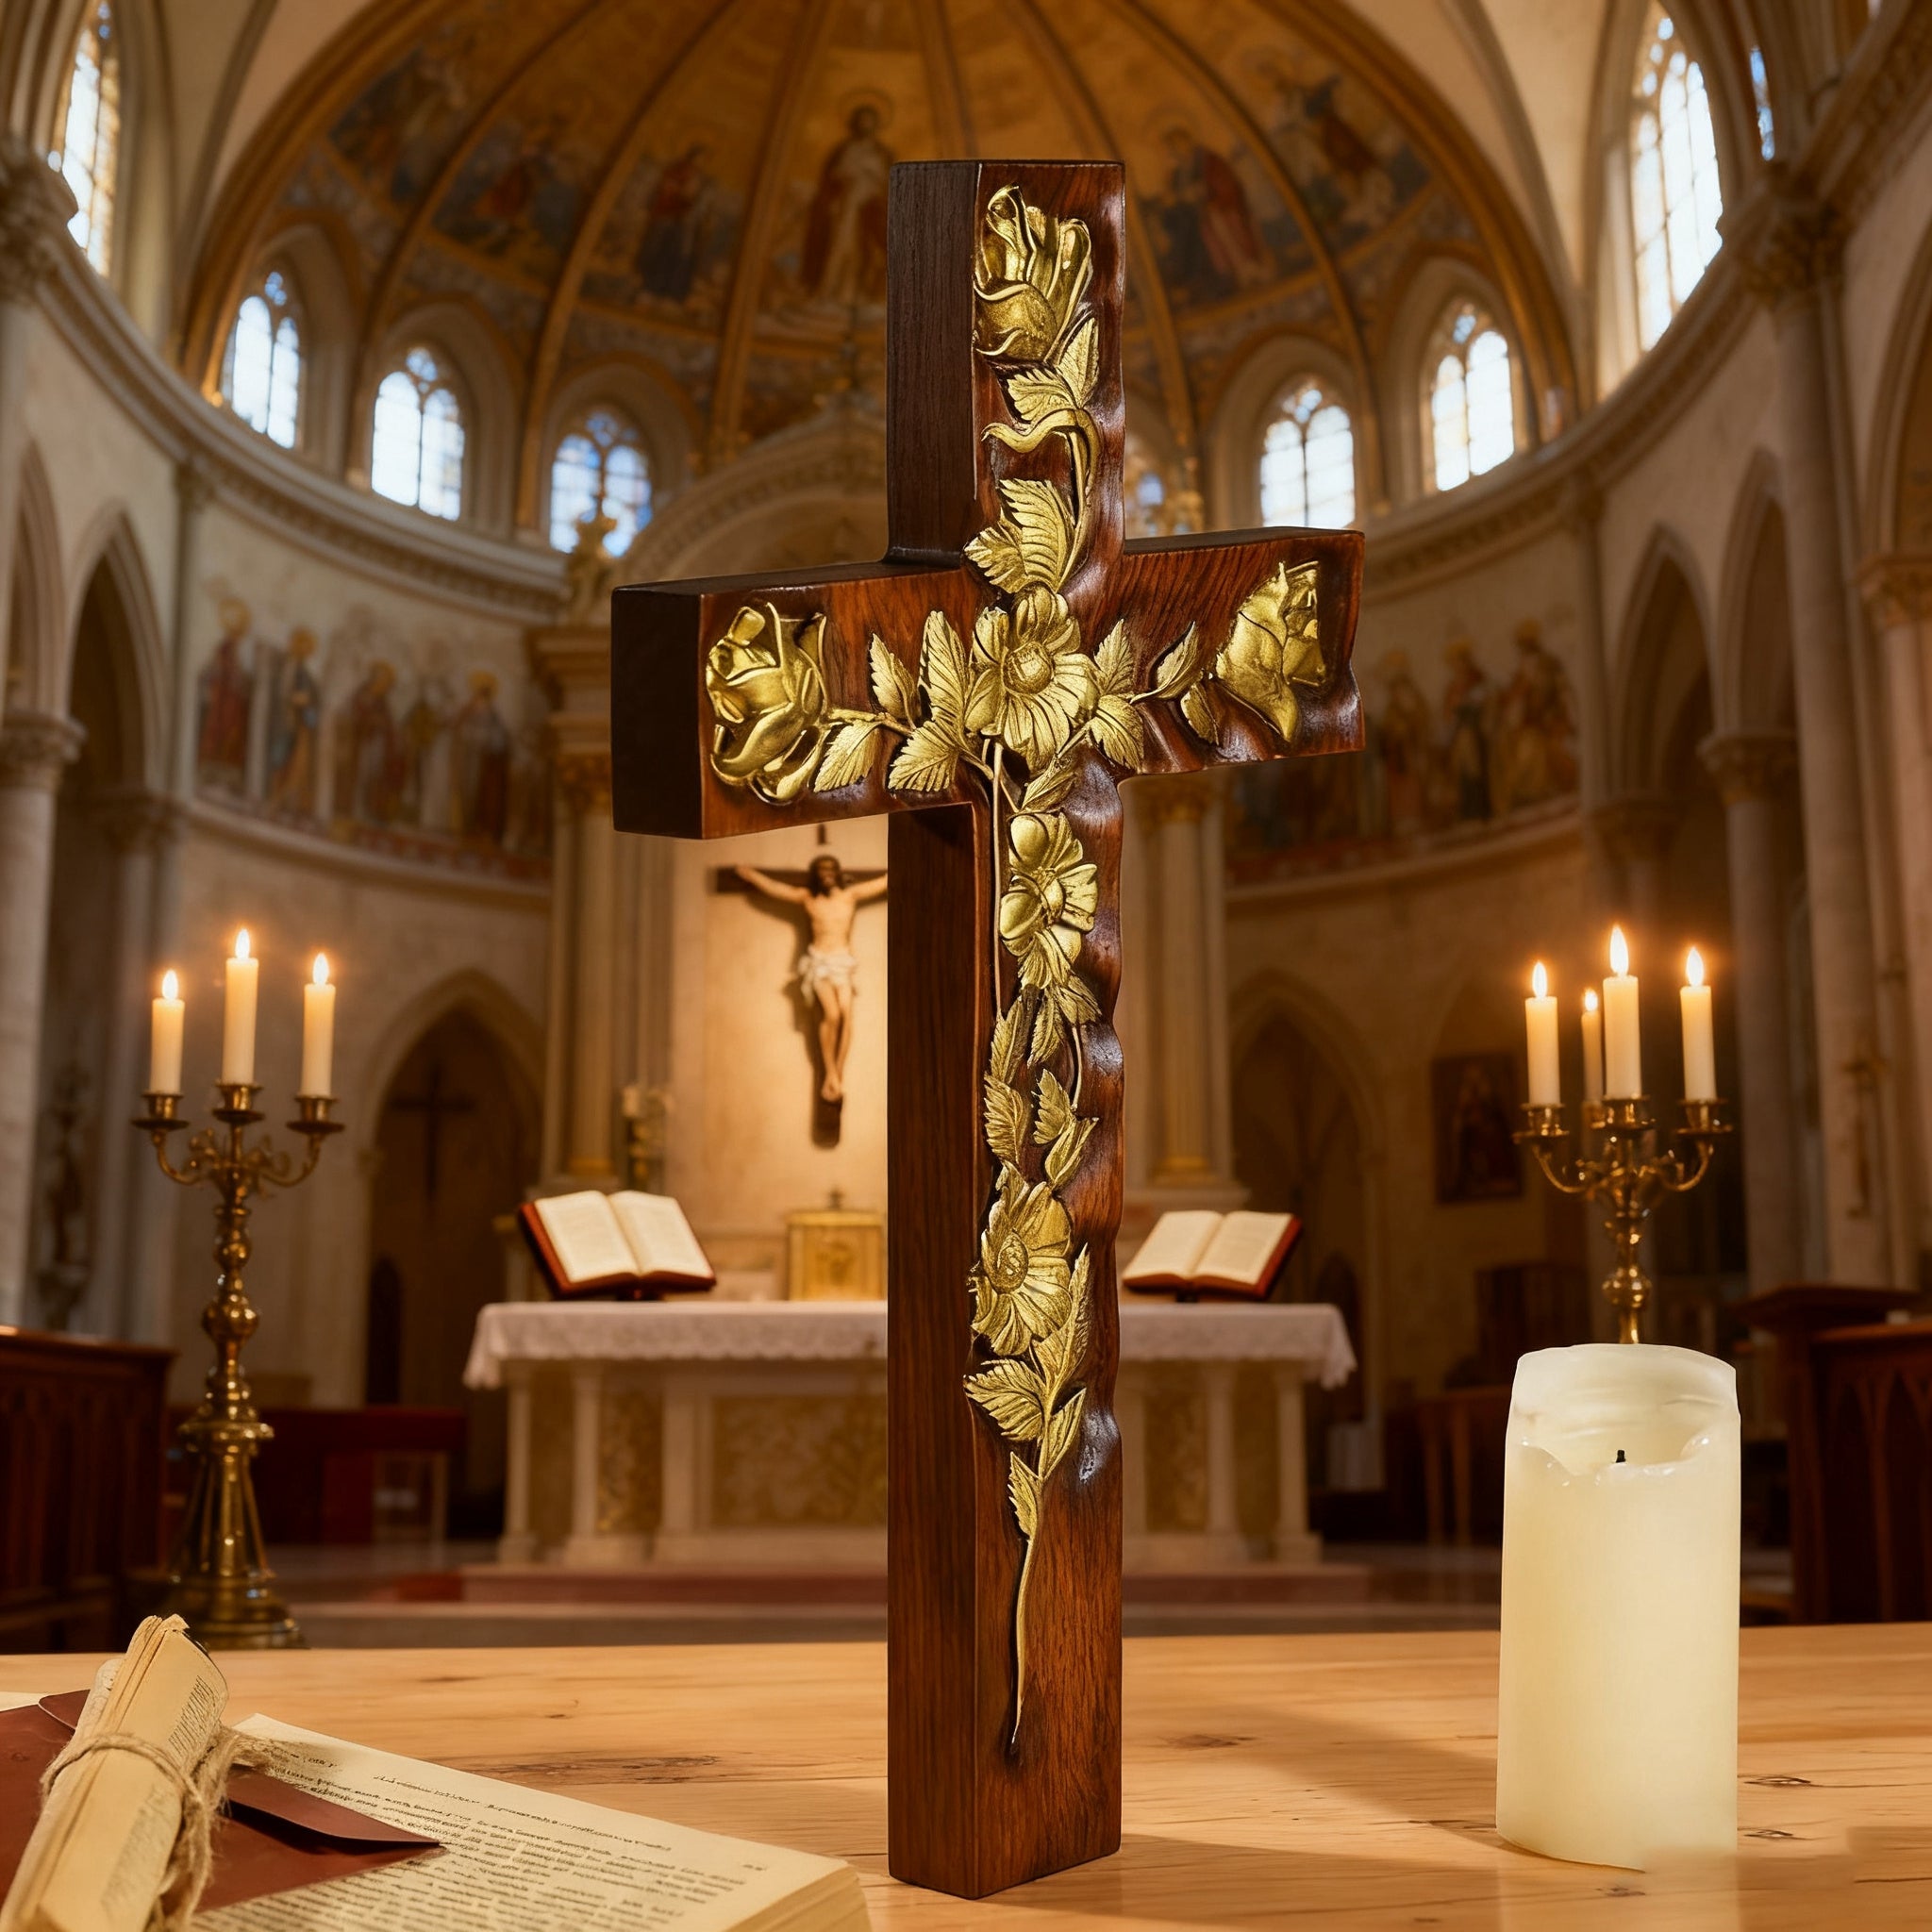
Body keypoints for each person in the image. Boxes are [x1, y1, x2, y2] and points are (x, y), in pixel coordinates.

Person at [736, 852, 888, 1103]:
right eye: (822, 871)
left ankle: (837, 1073)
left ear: (838, 873)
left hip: (843, 962)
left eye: (831, 870)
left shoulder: (850, 896)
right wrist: (751, 875)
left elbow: (881, 883)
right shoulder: (808, 899)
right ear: (817, 876)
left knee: (847, 1016)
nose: (827, 876)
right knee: (833, 1015)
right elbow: (778, 889)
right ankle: (830, 1071)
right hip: (820, 963)